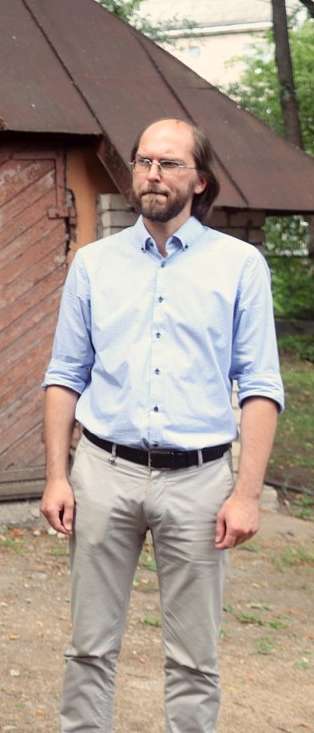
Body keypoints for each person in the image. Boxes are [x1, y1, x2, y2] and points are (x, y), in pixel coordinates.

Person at [40, 118, 284, 732]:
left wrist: (247, 494)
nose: (151, 174)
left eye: (169, 163)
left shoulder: (240, 265)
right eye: (143, 161)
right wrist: (56, 476)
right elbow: (65, 373)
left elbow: (260, 385)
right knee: (89, 647)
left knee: (194, 659)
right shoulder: (93, 264)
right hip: (103, 472)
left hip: (199, 483)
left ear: (200, 180)